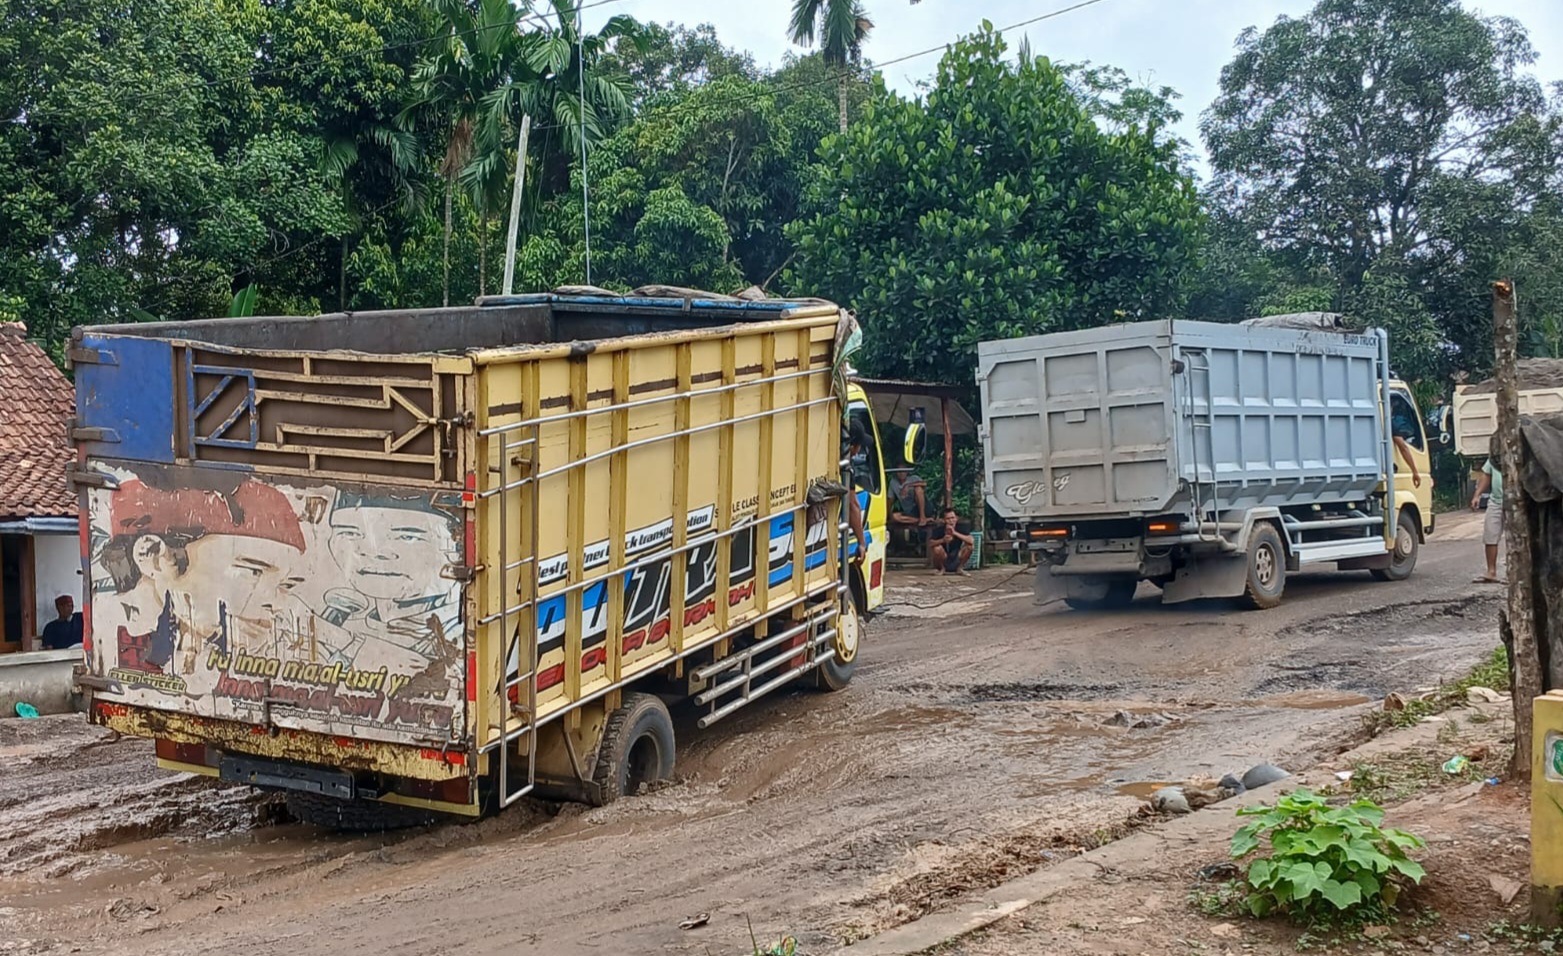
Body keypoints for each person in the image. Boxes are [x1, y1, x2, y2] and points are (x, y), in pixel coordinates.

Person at [1471, 458, 1504, 583]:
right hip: (1496, 501)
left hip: (1516, 500)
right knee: (1490, 535)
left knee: (1518, 538)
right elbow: (1486, 476)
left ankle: (1515, 573)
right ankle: (1491, 571)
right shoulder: (1495, 457)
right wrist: (1477, 495)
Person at [927, 508, 974, 576]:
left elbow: (971, 540)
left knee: (970, 546)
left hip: (957, 555)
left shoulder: (962, 527)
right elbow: (930, 543)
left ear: (956, 518)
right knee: (936, 548)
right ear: (944, 520)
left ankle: (960, 568)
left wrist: (954, 533)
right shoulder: (939, 528)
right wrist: (943, 540)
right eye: (948, 519)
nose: (951, 521)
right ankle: (942, 569)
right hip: (943, 556)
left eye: (953, 518)